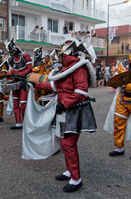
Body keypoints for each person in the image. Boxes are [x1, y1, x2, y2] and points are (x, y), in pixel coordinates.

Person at [28, 38, 97, 192]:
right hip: (63, 109)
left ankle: (76, 179)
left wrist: (63, 104)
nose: (59, 56)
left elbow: (81, 92)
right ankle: (69, 171)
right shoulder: (65, 68)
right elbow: (53, 86)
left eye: (61, 54)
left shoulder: (79, 68)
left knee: (69, 144)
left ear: (68, 53)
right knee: (64, 143)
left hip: (74, 110)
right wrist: (34, 84)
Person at [5, 39, 32, 130]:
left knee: (23, 103)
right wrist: (9, 74)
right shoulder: (11, 58)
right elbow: (13, 69)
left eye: (11, 50)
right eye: (10, 51)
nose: (11, 52)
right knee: (15, 102)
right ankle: (18, 122)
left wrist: (20, 74)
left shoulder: (25, 56)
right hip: (14, 81)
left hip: (23, 81)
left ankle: (26, 122)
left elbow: (29, 68)